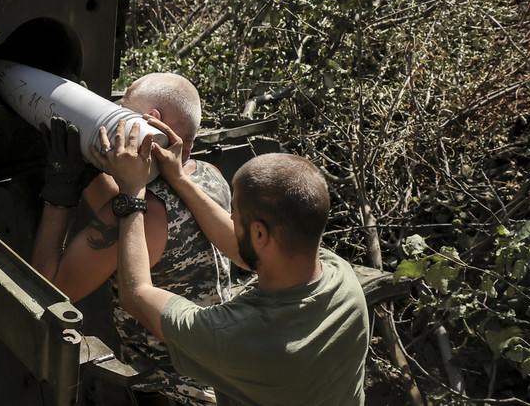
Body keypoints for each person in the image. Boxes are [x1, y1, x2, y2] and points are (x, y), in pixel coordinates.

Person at [95, 118, 369, 406]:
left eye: (234, 211)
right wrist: (179, 177)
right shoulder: (341, 277)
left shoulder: (233, 336)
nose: (232, 218)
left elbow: (136, 293)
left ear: (260, 234)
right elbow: (243, 248)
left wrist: (132, 192)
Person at [30, 73, 231, 405]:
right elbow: (116, 209)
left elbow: (48, 289)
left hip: (171, 394)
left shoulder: (147, 213)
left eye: (123, 115)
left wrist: (60, 191)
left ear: (151, 124)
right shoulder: (209, 176)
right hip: (217, 383)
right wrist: (90, 160)